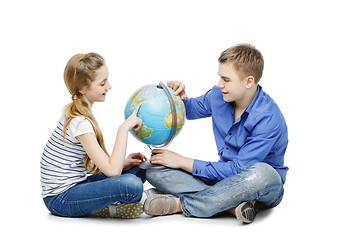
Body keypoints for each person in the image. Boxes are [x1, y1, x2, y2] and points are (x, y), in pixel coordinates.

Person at [144, 43, 288, 224]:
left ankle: (181, 204)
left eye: (226, 80)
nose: (220, 84)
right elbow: (189, 110)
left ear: (248, 81)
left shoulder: (268, 118)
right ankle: (231, 206)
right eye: (220, 78)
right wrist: (177, 97)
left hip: (259, 184)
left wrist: (181, 161)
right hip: (222, 179)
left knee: (262, 172)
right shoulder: (218, 95)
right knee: (153, 169)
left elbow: (239, 170)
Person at [40, 52, 147, 218]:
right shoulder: (79, 122)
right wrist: (124, 128)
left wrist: (124, 163)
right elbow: (113, 172)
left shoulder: (77, 111)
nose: (109, 86)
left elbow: (110, 167)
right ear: (82, 88)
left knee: (141, 168)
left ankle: (102, 203)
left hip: (76, 185)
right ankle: (108, 207)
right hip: (60, 199)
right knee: (132, 185)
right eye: (102, 83)